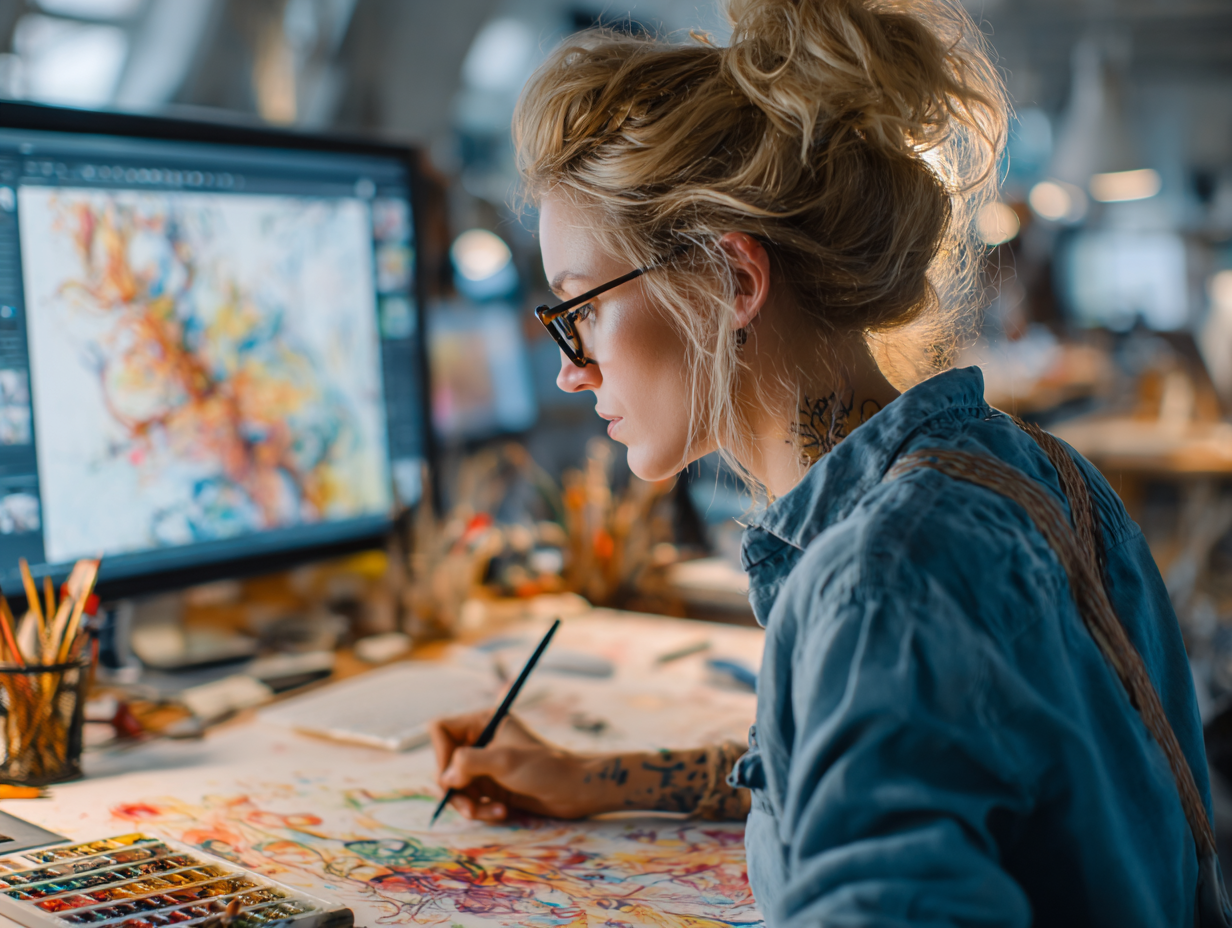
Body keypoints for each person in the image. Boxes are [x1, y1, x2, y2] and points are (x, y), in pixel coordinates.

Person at [430, 0, 1223, 923]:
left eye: (584, 309)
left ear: (732, 280)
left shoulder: (881, 583)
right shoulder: (1035, 468)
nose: (571, 370)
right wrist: (590, 778)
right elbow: (853, 761)